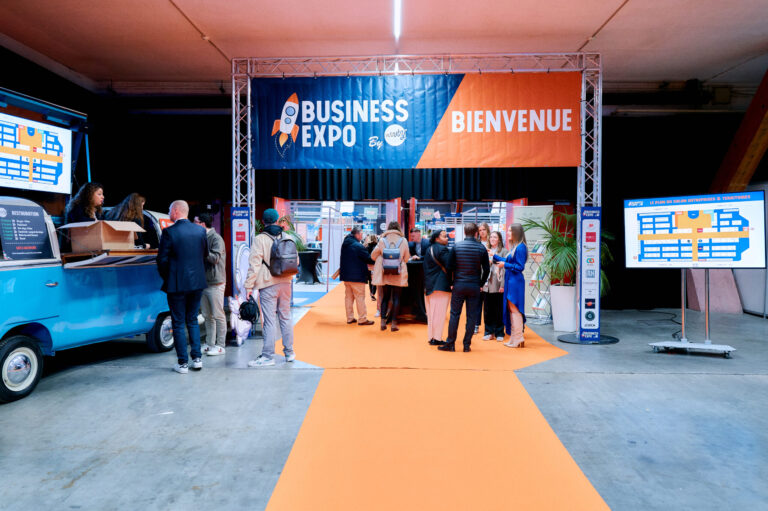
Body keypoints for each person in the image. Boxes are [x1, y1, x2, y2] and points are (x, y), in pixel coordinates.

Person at [157, 200, 208, 374]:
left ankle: (182, 363)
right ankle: (197, 359)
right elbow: (205, 256)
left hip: (177, 284)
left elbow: (162, 260)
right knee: (192, 320)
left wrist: (169, 277)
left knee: (178, 323)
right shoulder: (201, 231)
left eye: (170, 209)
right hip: (197, 283)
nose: (169, 212)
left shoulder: (169, 232)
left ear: (177, 211)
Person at [244, 208, 295, 366]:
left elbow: (254, 265)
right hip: (286, 283)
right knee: (285, 317)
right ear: (277, 220)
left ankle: (267, 356)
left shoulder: (260, 239)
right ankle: (289, 352)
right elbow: (296, 262)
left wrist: (248, 287)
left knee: (270, 321)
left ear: (264, 221)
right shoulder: (287, 237)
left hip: (268, 284)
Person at [437, 222, 489, 352]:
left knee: (455, 314)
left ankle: (451, 344)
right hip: (474, 286)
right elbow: (486, 270)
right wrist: (481, 284)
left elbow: (449, 267)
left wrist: (451, 283)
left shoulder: (456, 246)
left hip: (459, 285)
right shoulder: (481, 248)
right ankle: (466, 345)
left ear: (465, 232)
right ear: (476, 233)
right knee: (471, 316)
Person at [197, 213, 227, 356]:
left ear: (202, 224)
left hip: (215, 282)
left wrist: (201, 249)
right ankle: (210, 344)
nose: (193, 225)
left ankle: (221, 345)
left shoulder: (216, 238)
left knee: (218, 315)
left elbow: (214, 258)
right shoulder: (202, 238)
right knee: (208, 315)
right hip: (204, 282)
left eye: (195, 222)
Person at [494, 223, 528, 348]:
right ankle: (515, 338)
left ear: (516, 232)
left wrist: (505, 265)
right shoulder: (516, 247)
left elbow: (520, 267)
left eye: (509, 230)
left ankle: (518, 337)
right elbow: (507, 261)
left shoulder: (520, 247)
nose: (507, 232)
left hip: (515, 281)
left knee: (515, 310)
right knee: (512, 310)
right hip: (511, 280)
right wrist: (494, 256)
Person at [371, 221, 410, 332]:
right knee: (397, 298)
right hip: (398, 272)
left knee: (385, 298)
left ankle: (383, 322)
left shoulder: (382, 240)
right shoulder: (404, 240)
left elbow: (373, 256)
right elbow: (406, 258)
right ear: (398, 229)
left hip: (386, 272)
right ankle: (394, 323)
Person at [340, 227, 375, 326]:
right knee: (360, 297)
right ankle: (362, 319)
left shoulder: (345, 244)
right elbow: (369, 259)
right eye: (361, 234)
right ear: (358, 234)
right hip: (357, 276)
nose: (362, 236)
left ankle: (349, 318)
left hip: (346, 276)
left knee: (348, 298)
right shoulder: (358, 246)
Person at [424, 229, 452, 346]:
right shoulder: (443, 250)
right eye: (445, 237)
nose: (447, 238)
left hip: (429, 285)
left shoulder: (428, 249)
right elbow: (450, 266)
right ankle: (437, 338)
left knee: (431, 315)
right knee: (439, 315)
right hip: (441, 286)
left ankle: (432, 337)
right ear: (437, 238)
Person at [483, 231, 508, 341]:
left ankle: (499, 332)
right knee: (488, 309)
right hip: (486, 284)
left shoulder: (504, 251)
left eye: (495, 237)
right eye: (491, 237)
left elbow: (505, 269)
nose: (492, 239)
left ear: (499, 239)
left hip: (497, 284)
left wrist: (502, 285)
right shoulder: (485, 250)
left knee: (498, 309)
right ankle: (488, 331)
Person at [473, 222, 492, 334]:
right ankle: (476, 324)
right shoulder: (477, 243)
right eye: (480, 230)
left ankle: (489, 326)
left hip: (492, 275)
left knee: (489, 303)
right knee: (477, 301)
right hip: (479, 274)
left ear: (487, 230)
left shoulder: (492, 242)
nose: (482, 232)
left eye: (484, 229)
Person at [363, 234, 378, 302]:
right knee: (375, 280)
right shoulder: (377, 246)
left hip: (368, 265)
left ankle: (371, 292)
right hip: (375, 265)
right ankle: (373, 293)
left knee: (370, 280)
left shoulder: (366, 246)